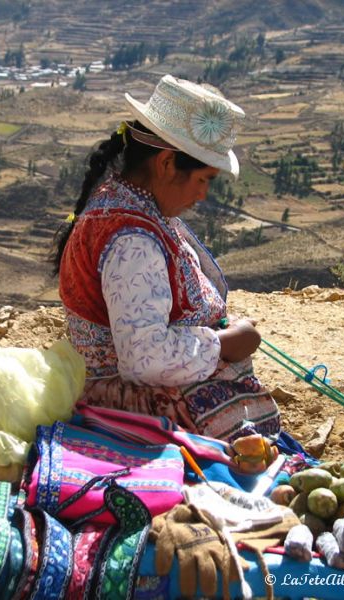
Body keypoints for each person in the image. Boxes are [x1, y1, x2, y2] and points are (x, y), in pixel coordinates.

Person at [54, 74, 281, 443]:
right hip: (132, 401)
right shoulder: (132, 241)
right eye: (203, 179)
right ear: (166, 164)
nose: (204, 194)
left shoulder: (134, 207)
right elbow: (144, 357)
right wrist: (224, 343)